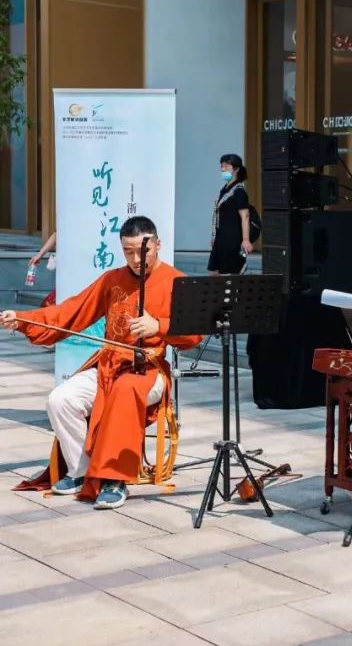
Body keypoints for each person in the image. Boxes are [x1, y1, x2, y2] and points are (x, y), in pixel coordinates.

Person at [1, 216, 203, 509]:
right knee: (61, 399)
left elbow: (194, 334)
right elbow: (70, 312)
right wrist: (22, 319)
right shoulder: (112, 279)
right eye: (128, 252)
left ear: (158, 245)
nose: (136, 259)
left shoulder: (176, 281)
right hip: (109, 365)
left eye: (143, 251)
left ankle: (114, 479)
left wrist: (159, 326)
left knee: (124, 390)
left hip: (149, 370)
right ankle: (81, 471)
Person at [208, 154, 253, 275]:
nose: (223, 169)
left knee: (228, 276)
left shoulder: (239, 191)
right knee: (214, 274)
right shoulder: (225, 189)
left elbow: (245, 216)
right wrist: (215, 237)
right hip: (221, 239)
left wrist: (246, 240)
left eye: (226, 166)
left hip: (232, 240)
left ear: (236, 169)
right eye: (221, 166)